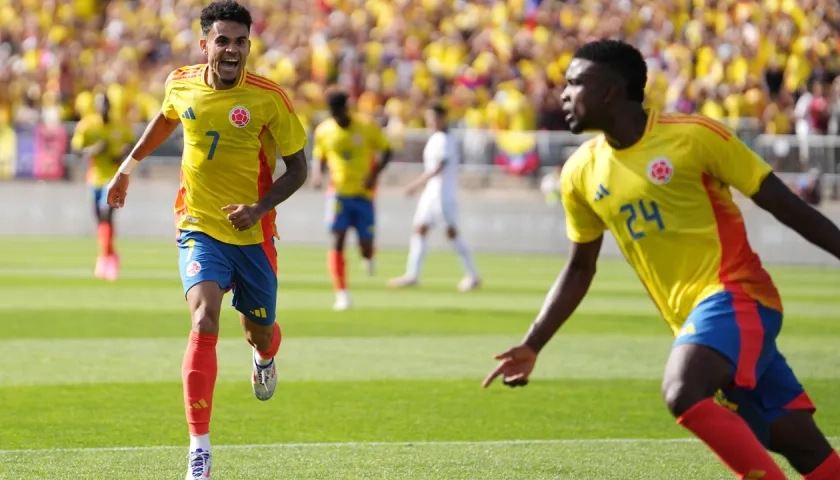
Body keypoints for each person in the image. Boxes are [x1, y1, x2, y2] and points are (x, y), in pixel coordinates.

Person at [482, 39, 840, 480]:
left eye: (575, 83)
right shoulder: (579, 172)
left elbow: (782, 202)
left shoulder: (693, 136)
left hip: (737, 296)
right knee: (799, 443)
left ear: (611, 91)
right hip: (695, 322)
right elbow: (579, 267)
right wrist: (533, 343)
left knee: (682, 390)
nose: (564, 95)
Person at [104, 2, 308, 478]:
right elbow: (165, 118)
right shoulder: (181, 82)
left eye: (240, 42)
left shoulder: (269, 98)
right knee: (204, 317)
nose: (232, 50)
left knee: (260, 330)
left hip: (254, 234)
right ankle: (200, 448)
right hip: (198, 225)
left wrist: (258, 208)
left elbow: (299, 168)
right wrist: (126, 168)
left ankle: (264, 355)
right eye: (223, 41)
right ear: (205, 45)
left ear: (249, 46)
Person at [311, 87, 392, 311]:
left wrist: (374, 176)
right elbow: (319, 156)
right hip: (338, 194)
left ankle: (368, 255)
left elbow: (387, 150)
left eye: (342, 110)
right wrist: (318, 175)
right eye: (335, 112)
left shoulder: (366, 126)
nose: (339, 116)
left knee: (365, 246)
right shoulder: (325, 131)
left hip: (364, 195)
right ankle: (342, 293)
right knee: (337, 240)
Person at [388, 102, 480, 291]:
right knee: (420, 229)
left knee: (451, 233)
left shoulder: (445, 139)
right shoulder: (437, 137)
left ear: (442, 118)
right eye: (429, 117)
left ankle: (473, 275)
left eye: (433, 117)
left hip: (442, 195)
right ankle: (412, 274)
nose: (430, 121)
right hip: (431, 193)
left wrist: (414, 185)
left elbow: (438, 168)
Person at [71, 92, 134, 281]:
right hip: (94, 178)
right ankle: (110, 254)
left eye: (107, 104)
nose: (105, 108)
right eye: (101, 105)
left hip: (113, 179)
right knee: (100, 220)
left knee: (106, 212)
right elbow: (76, 151)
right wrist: (94, 149)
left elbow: (132, 143)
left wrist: (122, 155)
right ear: (96, 107)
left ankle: (105, 258)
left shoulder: (119, 126)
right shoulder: (88, 126)